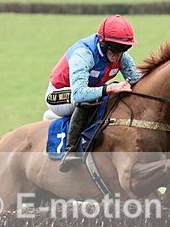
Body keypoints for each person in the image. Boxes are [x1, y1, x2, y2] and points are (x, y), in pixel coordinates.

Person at [46, 14, 142, 172]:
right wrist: (109, 88)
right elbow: (79, 94)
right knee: (90, 99)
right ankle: (71, 151)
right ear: (103, 43)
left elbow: (139, 82)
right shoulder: (84, 53)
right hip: (59, 95)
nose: (118, 54)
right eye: (115, 48)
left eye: (124, 48)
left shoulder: (122, 56)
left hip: (87, 91)